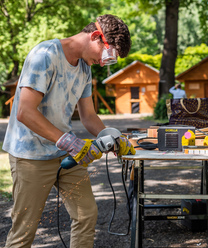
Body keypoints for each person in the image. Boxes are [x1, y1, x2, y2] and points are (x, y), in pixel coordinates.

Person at [2, 14, 135, 247]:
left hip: (65, 153)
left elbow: (89, 116)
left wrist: (111, 136)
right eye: (107, 55)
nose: (104, 62)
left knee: (86, 215)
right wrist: (71, 143)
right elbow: (25, 112)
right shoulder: (45, 55)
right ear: (96, 36)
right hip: (31, 155)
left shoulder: (85, 66)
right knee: (25, 229)